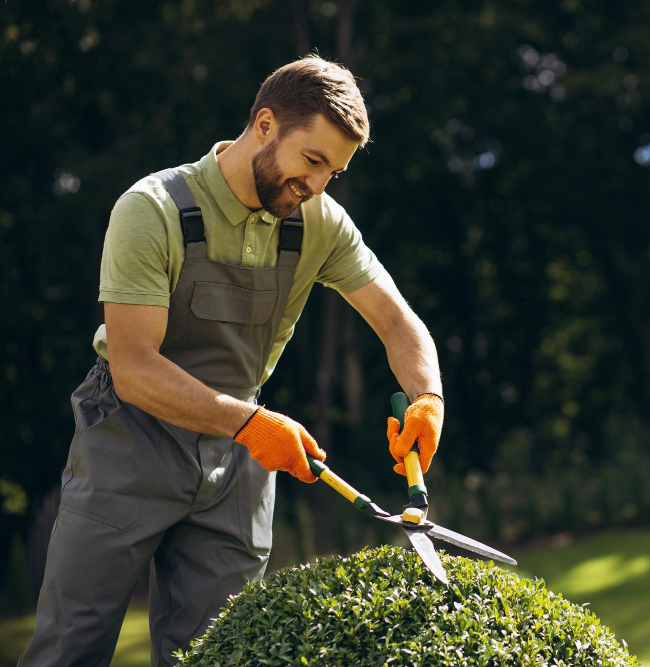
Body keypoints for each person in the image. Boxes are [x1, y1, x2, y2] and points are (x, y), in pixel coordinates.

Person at [19, 54, 444, 666]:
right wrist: (249, 423)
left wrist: (427, 399)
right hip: (129, 441)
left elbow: (398, 321)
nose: (318, 185)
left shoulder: (317, 221)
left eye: (334, 171)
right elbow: (135, 369)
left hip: (238, 460)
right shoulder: (154, 209)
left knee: (222, 653)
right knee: (71, 645)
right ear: (266, 125)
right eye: (312, 161)